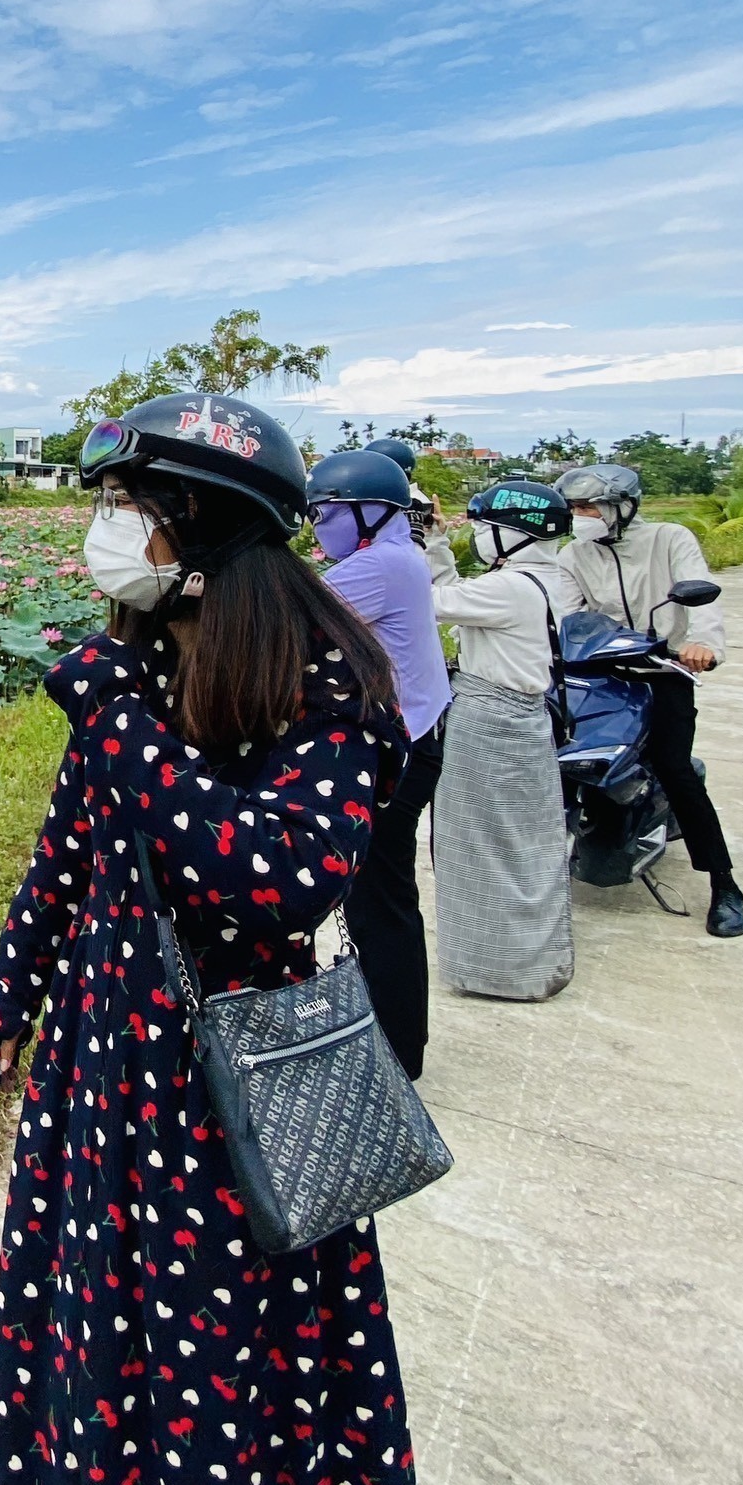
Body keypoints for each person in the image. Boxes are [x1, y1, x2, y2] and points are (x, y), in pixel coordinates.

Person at [0, 393, 520, 1485]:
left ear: (201, 526)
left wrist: (122, 730)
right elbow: (72, 853)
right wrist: (9, 999)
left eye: (130, 506)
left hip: (226, 1102)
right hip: (105, 1084)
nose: (105, 533)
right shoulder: (137, 655)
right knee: (103, 1369)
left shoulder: (329, 676)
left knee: (211, 1397)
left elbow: (273, 880)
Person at [304, 449, 450, 1076]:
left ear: (371, 512)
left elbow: (289, 622)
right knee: (382, 897)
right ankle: (395, 1037)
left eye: (327, 511)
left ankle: (398, 1053)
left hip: (402, 748)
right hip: (419, 737)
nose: (317, 524)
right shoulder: (397, 555)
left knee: (378, 901)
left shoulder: (377, 567)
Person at [553, 464, 742, 937]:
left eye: (589, 506)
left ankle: (723, 884)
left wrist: (704, 646)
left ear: (622, 506)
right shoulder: (573, 555)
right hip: (600, 674)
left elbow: (702, 602)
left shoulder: (669, 538)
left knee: (676, 770)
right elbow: (568, 615)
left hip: (664, 670)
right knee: (560, 762)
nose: (582, 516)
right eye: (575, 508)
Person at [424, 481, 575, 1002]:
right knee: (517, 847)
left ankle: (496, 968)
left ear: (514, 534)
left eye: (485, 529)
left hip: (489, 722)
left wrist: (410, 541)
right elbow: (461, 601)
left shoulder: (509, 587)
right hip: (523, 722)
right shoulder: (539, 578)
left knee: (479, 846)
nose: (481, 539)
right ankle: (524, 963)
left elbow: (431, 603)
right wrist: (438, 543)